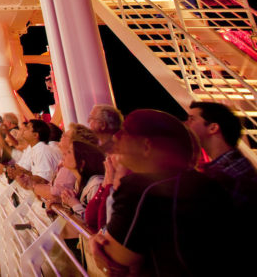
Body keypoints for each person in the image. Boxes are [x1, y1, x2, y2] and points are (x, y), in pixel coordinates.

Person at [90, 109, 236, 275]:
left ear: (146, 147)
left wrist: (94, 241)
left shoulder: (140, 189)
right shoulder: (209, 184)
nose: (117, 137)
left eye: (126, 132)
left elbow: (114, 258)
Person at [185, 100, 257, 215]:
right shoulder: (234, 166)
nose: (185, 124)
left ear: (213, 128)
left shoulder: (228, 175)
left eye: (191, 119)